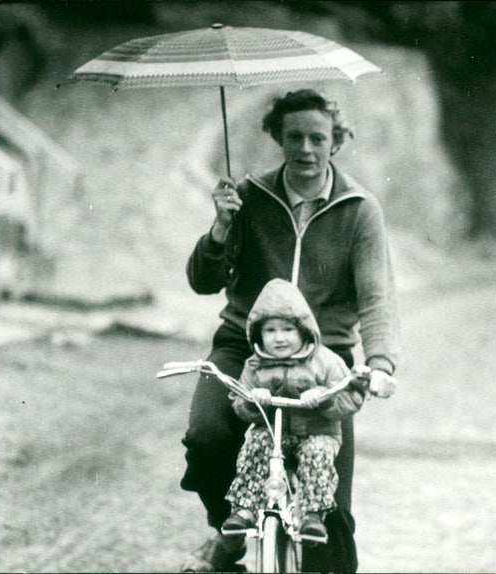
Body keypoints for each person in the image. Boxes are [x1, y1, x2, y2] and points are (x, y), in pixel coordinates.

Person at [179, 89, 399, 573]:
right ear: (278, 138)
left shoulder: (360, 208)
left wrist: (380, 363)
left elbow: (376, 298)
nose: (305, 149)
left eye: (317, 138)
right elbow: (202, 281)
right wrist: (220, 228)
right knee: (207, 436)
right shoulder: (250, 197)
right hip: (246, 347)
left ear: (335, 143)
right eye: (294, 136)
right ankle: (228, 533)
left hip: (325, 359)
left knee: (333, 514)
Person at [222, 278, 368, 542]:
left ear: (304, 329)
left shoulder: (325, 360)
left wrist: (324, 398)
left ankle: (313, 515)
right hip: (274, 433)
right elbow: (238, 401)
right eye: (270, 330)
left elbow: (352, 396)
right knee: (256, 443)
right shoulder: (255, 365)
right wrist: (253, 400)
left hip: (316, 433)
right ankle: (244, 509)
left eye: (288, 329)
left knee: (317, 454)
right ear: (258, 334)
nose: (279, 338)